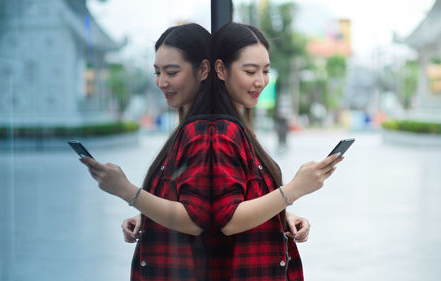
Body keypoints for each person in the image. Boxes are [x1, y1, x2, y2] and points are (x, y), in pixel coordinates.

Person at [208, 22, 343, 281]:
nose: (260, 81)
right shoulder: (218, 131)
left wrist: (281, 216)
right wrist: (293, 190)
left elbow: (240, 199)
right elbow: (226, 219)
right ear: (221, 69)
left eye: (266, 71)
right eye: (250, 71)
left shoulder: (238, 126)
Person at [80, 23, 214, 280]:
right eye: (157, 72)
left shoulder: (203, 131)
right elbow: (186, 202)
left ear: (204, 69)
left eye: (172, 72)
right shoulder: (187, 128)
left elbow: (196, 220)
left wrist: (126, 191)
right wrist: (148, 217)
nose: (162, 82)